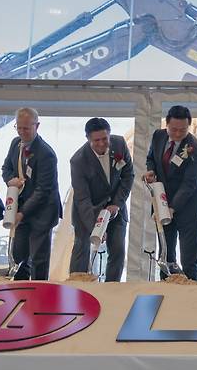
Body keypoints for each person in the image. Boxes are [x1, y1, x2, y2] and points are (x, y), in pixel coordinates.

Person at [144, 105, 197, 280]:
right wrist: (150, 171)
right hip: (162, 202)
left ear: (189, 126)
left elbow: (189, 183)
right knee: (166, 254)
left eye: (182, 130)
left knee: (189, 259)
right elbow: (151, 158)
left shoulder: (196, 149)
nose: (177, 134)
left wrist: (173, 207)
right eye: (174, 129)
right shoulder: (158, 136)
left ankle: (191, 296)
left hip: (188, 207)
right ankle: (166, 294)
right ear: (167, 124)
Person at [69, 118, 133, 281]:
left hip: (115, 208)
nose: (102, 143)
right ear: (88, 139)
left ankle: (112, 288)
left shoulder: (119, 144)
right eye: (96, 140)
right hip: (88, 209)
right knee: (82, 248)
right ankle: (78, 285)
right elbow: (82, 198)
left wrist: (117, 204)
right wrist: (95, 227)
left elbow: (128, 176)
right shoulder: (78, 161)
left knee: (118, 249)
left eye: (105, 138)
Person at [1, 107, 61, 280]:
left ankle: (40, 296)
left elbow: (43, 191)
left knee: (38, 259)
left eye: (26, 128)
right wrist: (10, 180)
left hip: (42, 212)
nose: (21, 132)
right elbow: (6, 168)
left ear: (37, 126)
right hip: (22, 210)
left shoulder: (46, 154)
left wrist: (22, 213)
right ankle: (20, 293)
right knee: (18, 255)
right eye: (18, 127)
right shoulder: (15, 143)